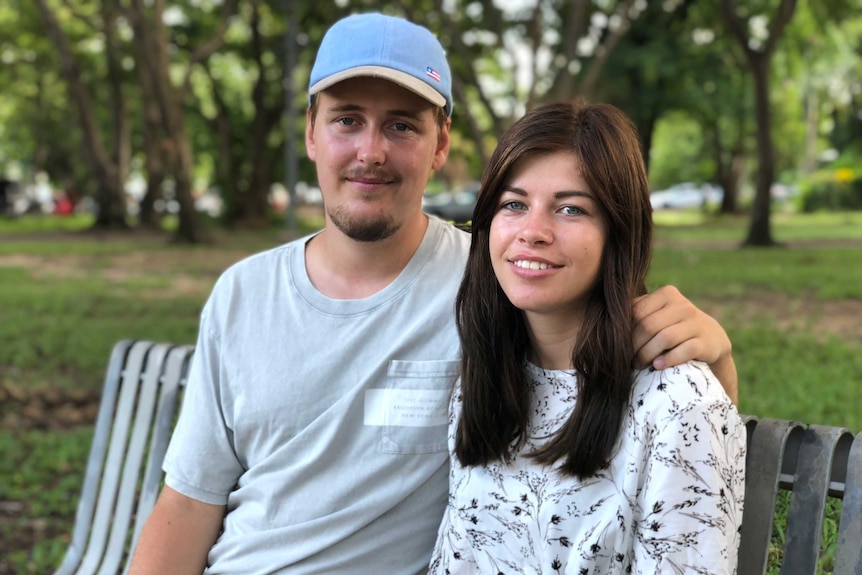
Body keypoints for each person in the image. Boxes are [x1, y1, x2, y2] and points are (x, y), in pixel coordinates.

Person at [129, 13, 737, 575]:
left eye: (401, 125)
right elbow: (188, 501)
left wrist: (716, 358)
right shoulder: (243, 294)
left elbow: (661, 422)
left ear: (441, 143)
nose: (370, 152)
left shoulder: (493, 283)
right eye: (346, 119)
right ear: (311, 131)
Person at [429, 102, 745, 574]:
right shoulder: (484, 380)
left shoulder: (677, 404)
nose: (533, 232)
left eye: (571, 208)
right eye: (513, 204)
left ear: (618, 232)